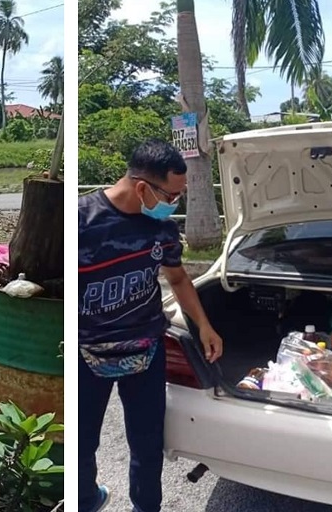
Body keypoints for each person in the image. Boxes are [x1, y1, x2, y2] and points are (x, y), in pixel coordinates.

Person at [78, 139, 224, 511]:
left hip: (146, 352)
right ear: (143, 187)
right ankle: (85, 499)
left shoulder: (161, 230)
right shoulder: (81, 222)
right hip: (86, 357)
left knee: (147, 446)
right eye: (172, 195)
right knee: (81, 445)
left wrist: (202, 326)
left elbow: (177, 279)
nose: (174, 204)